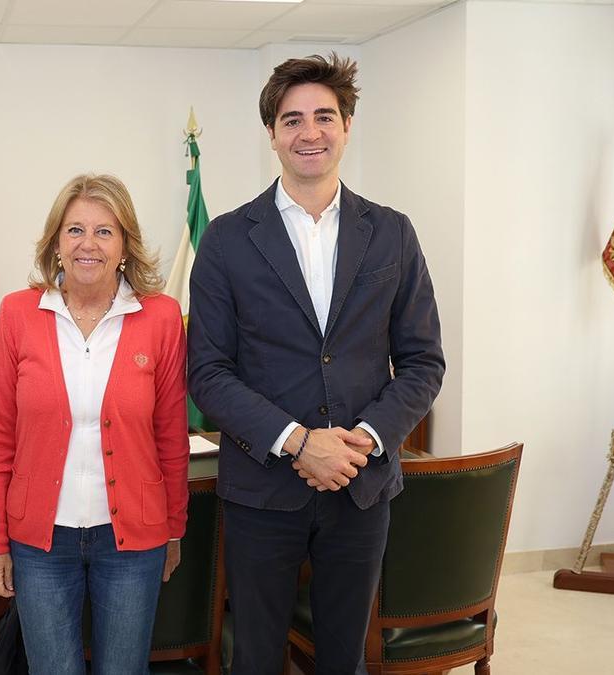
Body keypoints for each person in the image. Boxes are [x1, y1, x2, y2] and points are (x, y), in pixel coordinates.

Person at [187, 54, 445, 673]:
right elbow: (208, 371)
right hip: (262, 490)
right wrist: (299, 442)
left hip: (362, 485)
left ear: (347, 126)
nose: (310, 133)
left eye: (324, 117)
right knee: (255, 657)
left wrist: (364, 440)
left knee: (344, 659)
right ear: (271, 133)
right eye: (292, 119)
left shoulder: (393, 233)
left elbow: (422, 361)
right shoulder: (225, 239)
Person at [0, 174, 190, 674]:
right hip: (40, 543)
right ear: (56, 243)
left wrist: (174, 529)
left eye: (104, 231)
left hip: (133, 540)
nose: (88, 244)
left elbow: (170, 436)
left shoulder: (161, 317)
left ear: (125, 246)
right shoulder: (18, 313)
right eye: (75, 230)